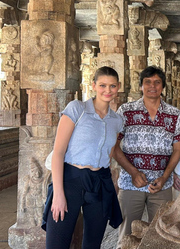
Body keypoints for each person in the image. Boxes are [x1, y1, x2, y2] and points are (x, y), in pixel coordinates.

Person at [43, 66, 124, 249]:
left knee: (93, 244)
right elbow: (58, 152)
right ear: (94, 85)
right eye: (103, 85)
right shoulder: (77, 109)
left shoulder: (116, 121)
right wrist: (58, 194)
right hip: (71, 179)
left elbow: (110, 152)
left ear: (118, 87)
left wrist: (111, 180)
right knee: (57, 242)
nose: (108, 90)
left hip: (99, 182)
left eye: (112, 86)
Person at [113, 66, 180, 247]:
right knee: (127, 236)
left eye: (157, 82)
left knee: (160, 235)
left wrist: (164, 177)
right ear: (141, 86)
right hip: (131, 183)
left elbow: (177, 150)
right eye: (148, 82)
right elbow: (113, 146)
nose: (152, 86)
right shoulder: (126, 111)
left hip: (161, 185)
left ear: (163, 87)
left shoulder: (174, 114)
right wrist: (133, 173)